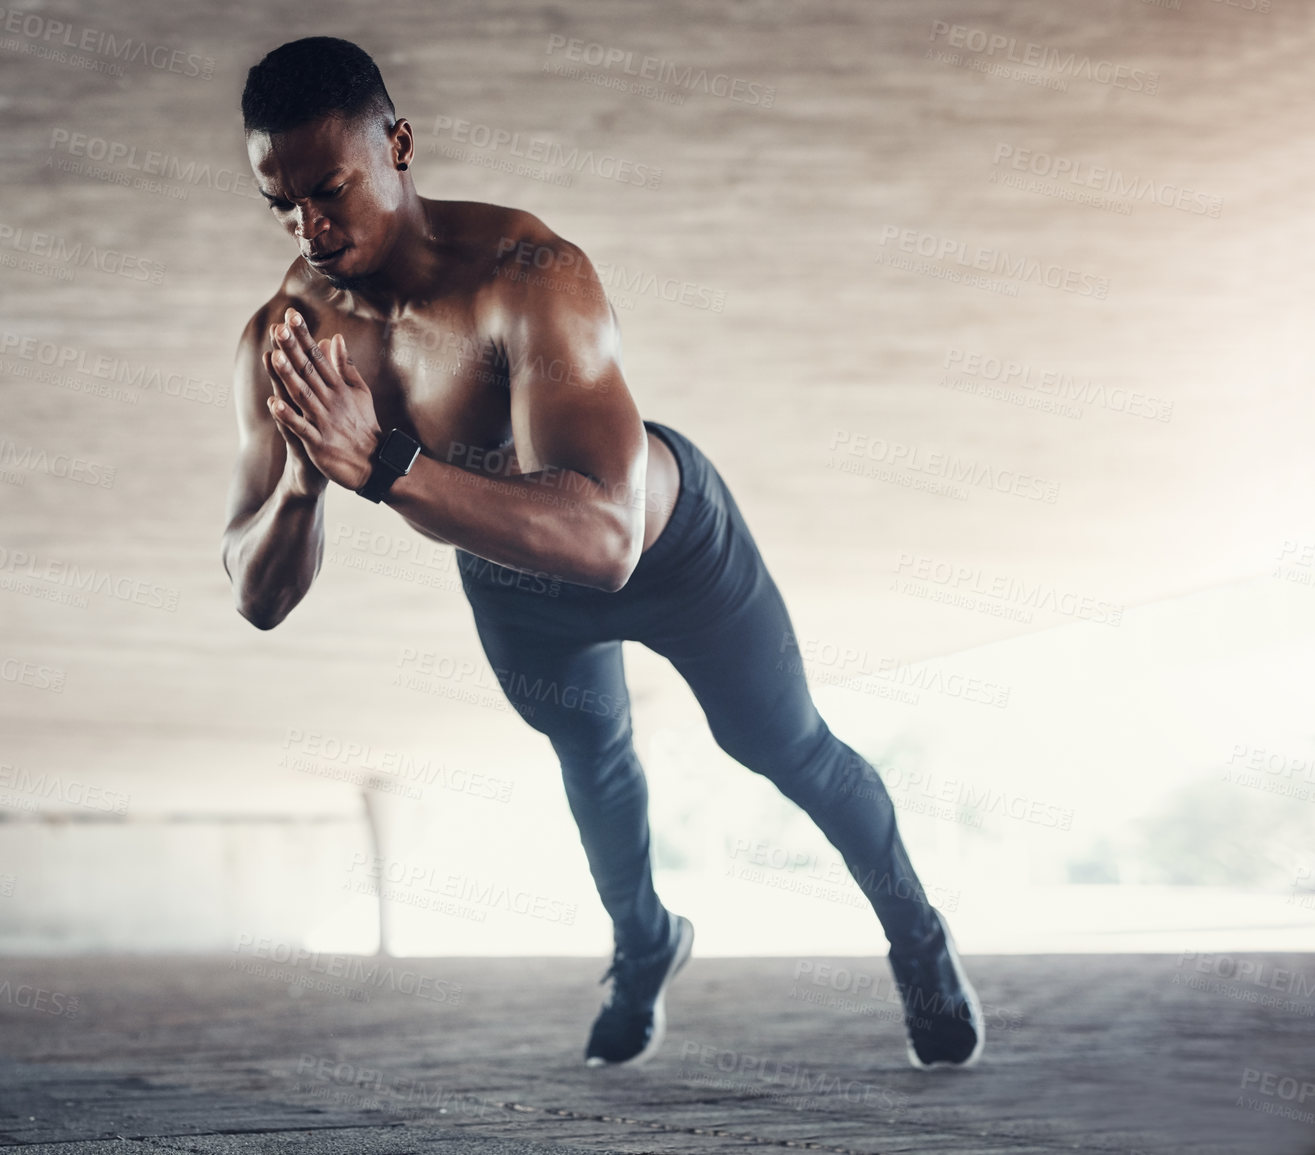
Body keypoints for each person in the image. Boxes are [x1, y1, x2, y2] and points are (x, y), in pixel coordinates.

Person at [220, 35, 982, 1070]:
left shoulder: (530, 277)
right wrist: (311, 481)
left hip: (674, 553)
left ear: (398, 145)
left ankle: (917, 935)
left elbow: (605, 539)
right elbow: (256, 595)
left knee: (782, 746)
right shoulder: (290, 336)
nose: (308, 226)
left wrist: (386, 463)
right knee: (592, 759)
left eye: (329, 189)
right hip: (512, 586)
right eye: (280, 203)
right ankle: (645, 943)